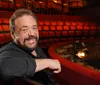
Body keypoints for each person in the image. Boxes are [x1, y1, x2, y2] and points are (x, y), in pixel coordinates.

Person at [0, 8, 61, 85]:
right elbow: (4, 68)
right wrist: (47, 62)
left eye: (34, 28)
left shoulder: (36, 48)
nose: (31, 33)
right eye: (24, 29)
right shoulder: (9, 51)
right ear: (13, 34)